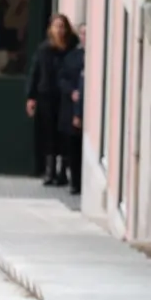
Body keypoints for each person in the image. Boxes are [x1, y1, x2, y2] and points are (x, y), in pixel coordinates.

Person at [26, 14, 80, 187]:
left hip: (64, 97)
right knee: (48, 133)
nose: (60, 30)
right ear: (51, 29)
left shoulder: (72, 49)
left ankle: (63, 171)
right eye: (56, 26)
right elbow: (35, 72)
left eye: (62, 26)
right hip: (46, 96)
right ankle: (49, 171)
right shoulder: (44, 49)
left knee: (64, 133)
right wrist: (31, 97)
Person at [57, 21, 86, 195]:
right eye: (83, 33)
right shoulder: (72, 56)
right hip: (73, 108)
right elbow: (62, 79)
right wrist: (71, 92)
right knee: (73, 147)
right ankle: (75, 182)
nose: (85, 36)